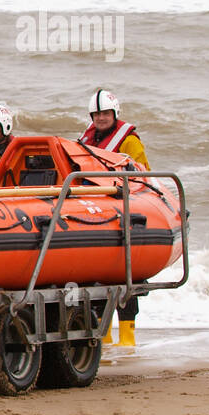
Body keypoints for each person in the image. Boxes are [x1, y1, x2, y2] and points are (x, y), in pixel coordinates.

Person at [79, 89, 150, 347]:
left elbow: (142, 174)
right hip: (94, 212)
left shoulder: (129, 142)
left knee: (124, 278)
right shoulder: (86, 140)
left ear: (114, 114)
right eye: (96, 114)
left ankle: (128, 339)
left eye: (105, 113)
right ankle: (105, 337)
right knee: (96, 280)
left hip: (121, 212)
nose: (100, 118)